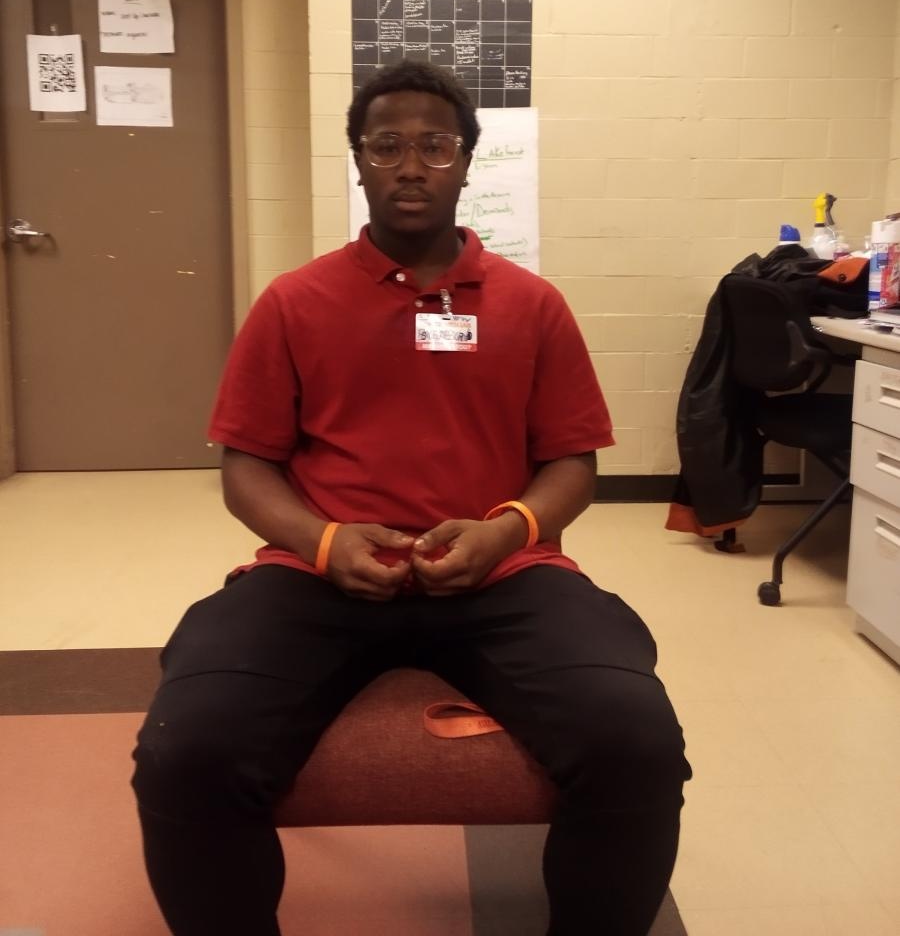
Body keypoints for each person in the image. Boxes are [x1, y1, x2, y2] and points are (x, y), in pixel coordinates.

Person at [132, 59, 691, 936]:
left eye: (436, 145)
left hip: (506, 574)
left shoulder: (533, 306)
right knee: (184, 751)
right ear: (358, 160)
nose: (410, 164)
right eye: (386, 144)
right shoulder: (292, 303)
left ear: (467, 161)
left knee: (637, 743)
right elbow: (245, 468)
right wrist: (323, 544)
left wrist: (506, 532)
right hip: (315, 574)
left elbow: (573, 464)